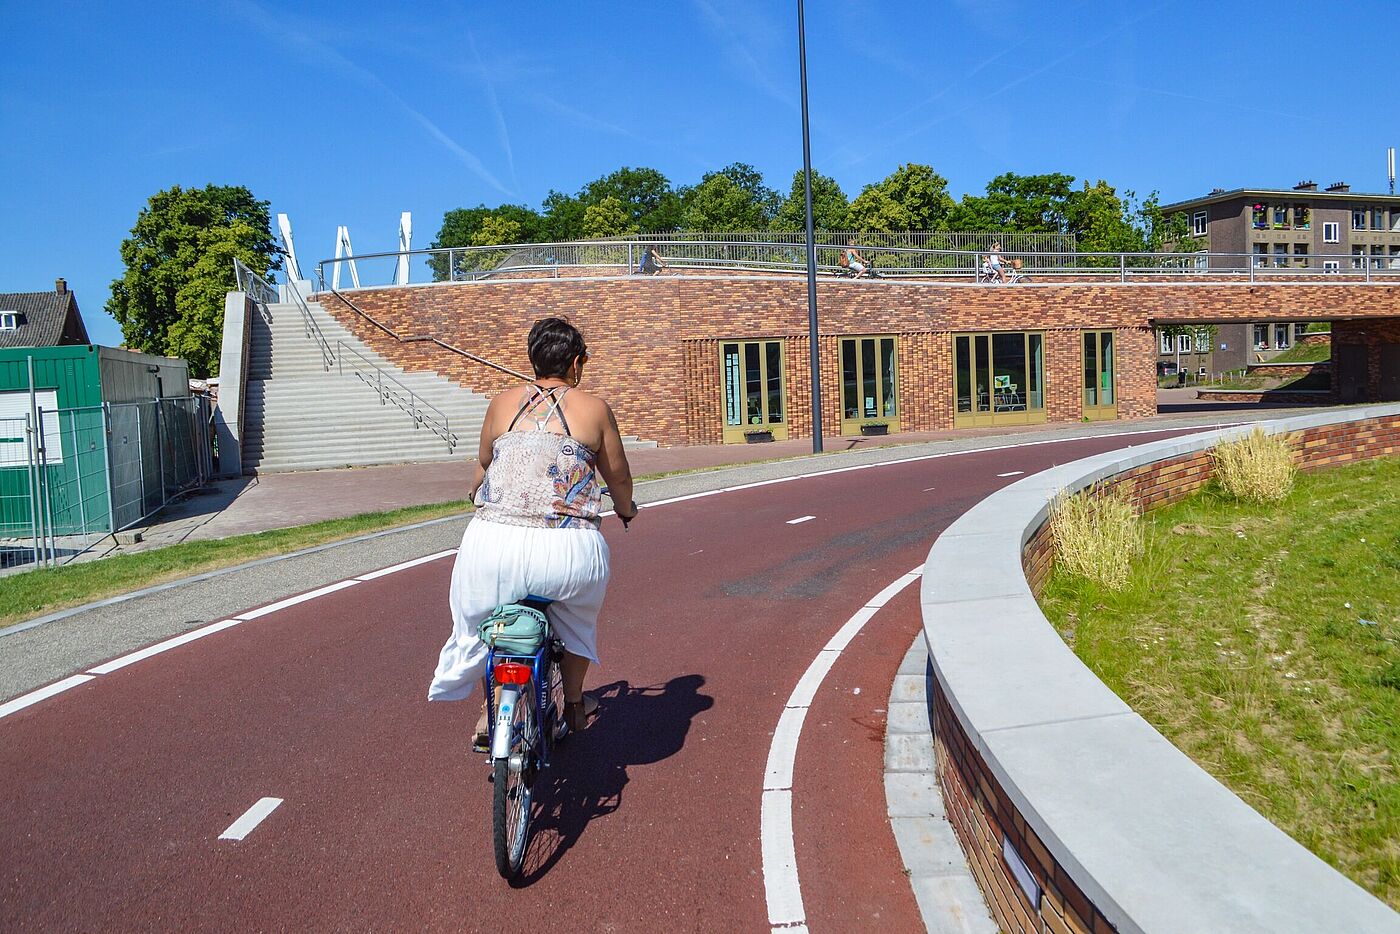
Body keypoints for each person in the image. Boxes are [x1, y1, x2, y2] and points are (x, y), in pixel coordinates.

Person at [428, 317, 638, 746]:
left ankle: (492, 710)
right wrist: (625, 508)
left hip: (491, 547)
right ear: (577, 362)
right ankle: (575, 703)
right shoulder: (594, 408)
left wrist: (475, 494)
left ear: (532, 359)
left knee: (487, 618)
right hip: (566, 550)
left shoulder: (501, 403)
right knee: (578, 617)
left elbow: (484, 464)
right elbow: (617, 477)